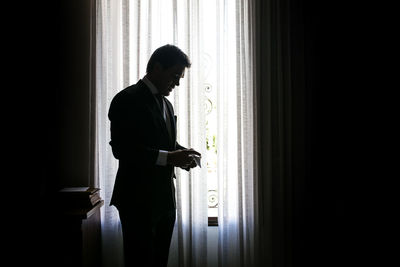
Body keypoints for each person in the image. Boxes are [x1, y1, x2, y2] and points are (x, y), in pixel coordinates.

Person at [108, 44, 201, 267]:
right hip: (136, 200)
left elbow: (164, 144)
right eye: (175, 76)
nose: (177, 83)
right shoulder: (126, 99)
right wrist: (170, 157)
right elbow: (122, 149)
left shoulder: (167, 105)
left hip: (165, 201)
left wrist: (183, 154)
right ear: (157, 67)